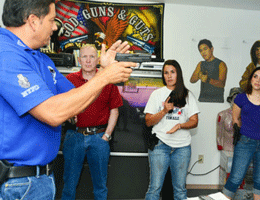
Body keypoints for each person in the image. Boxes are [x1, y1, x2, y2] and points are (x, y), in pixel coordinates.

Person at [0, 0, 136, 199]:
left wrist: (103, 70)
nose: (55, 27)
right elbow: (53, 113)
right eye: (52, 20)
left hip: (41, 177)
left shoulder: (41, 58)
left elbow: (76, 101)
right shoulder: (7, 54)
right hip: (18, 183)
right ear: (33, 21)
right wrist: (105, 77)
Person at [61, 44, 122, 199]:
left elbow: (114, 110)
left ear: (98, 60)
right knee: (69, 186)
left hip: (99, 138)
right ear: (79, 60)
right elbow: (61, 107)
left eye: (92, 57)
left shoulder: (107, 81)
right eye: (85, 57)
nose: (88, 61)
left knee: (100, 187)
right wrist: (69, 116)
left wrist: (106, 136)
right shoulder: (69, 80)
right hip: (74, 137)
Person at [144, 60, 200, 200]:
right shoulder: (157, 94)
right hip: (160, 145)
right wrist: (164, 111)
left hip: (182, 148)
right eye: (166, 73)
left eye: (172, 72)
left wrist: (180, 125)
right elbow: (148, 121)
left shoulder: (188, 95)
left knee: (180, 190)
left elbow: (194, 121)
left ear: (178, 74)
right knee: (154, 188)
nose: (169, 76)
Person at [223, 67, 260, 200]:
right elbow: (236, 118)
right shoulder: (241, 98)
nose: (258, 80)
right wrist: (246, 132)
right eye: (255, 76)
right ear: (251, 79)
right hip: (245, 142)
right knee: (235, 178)